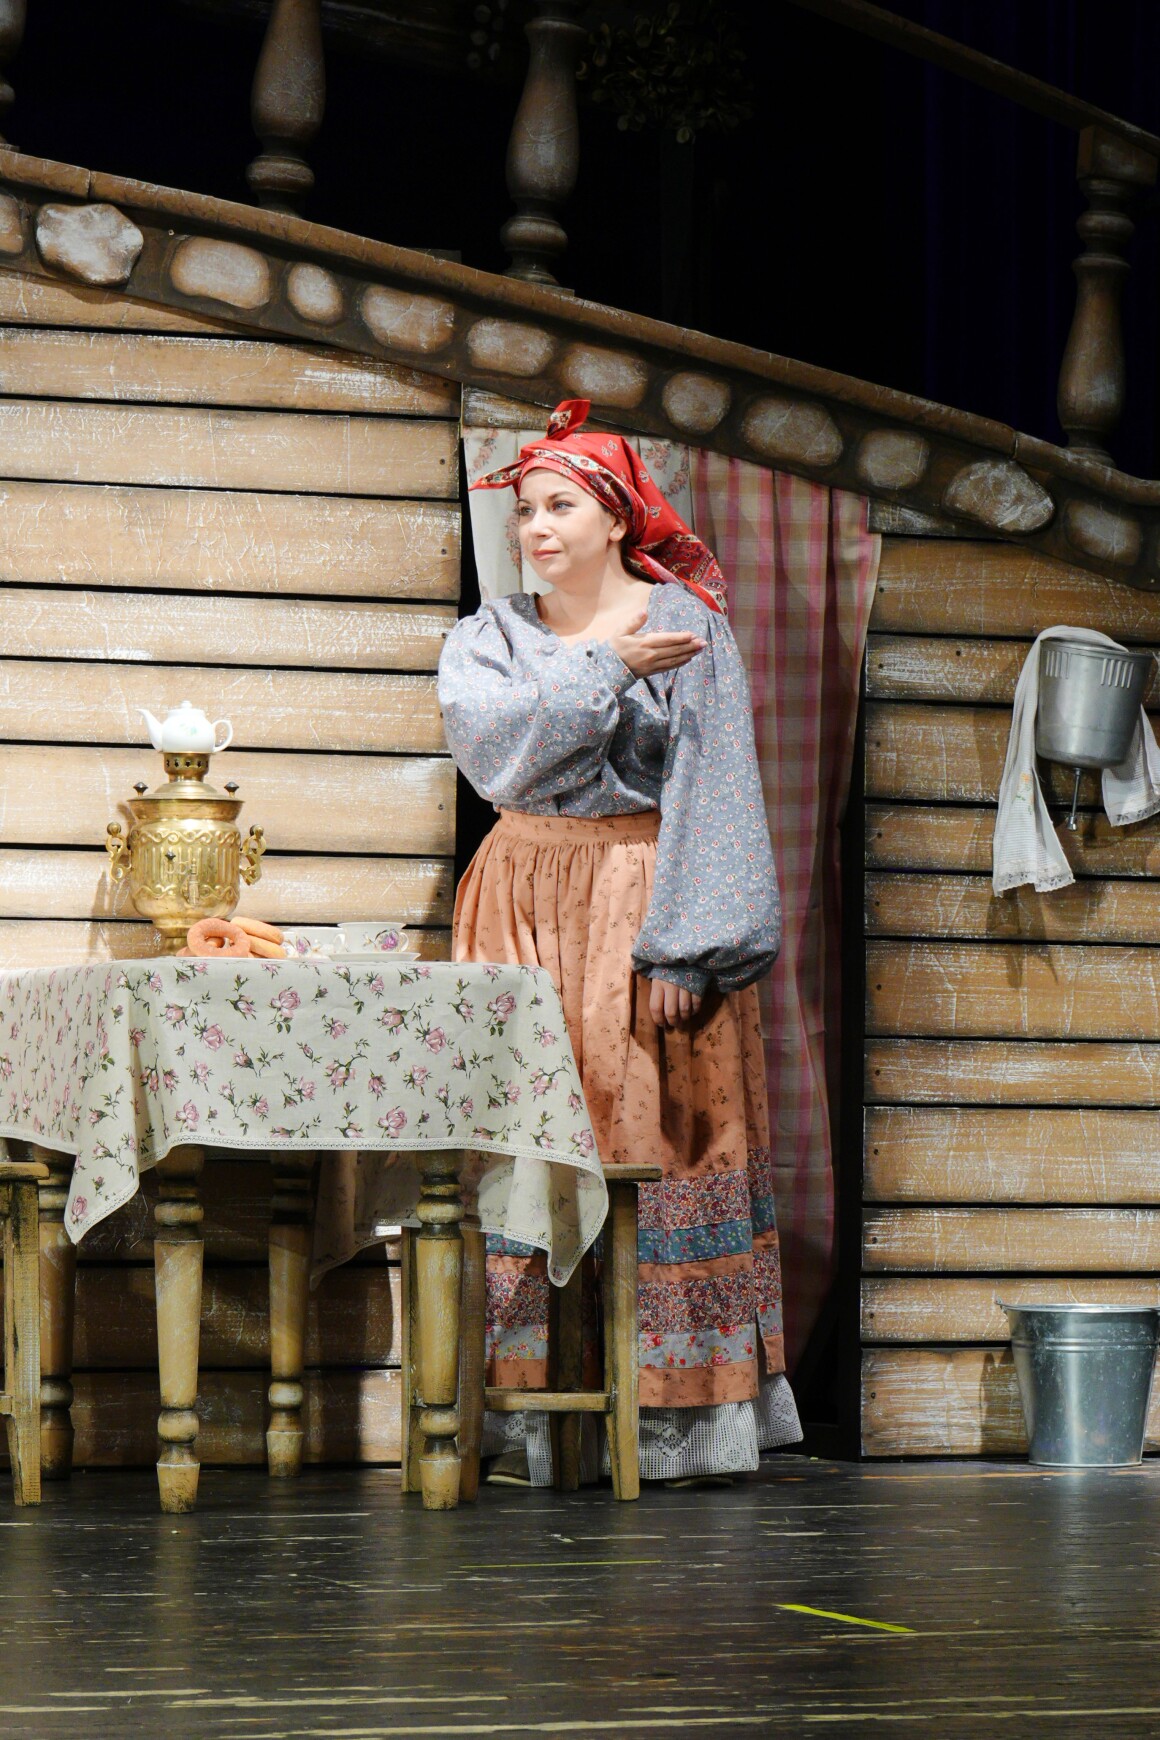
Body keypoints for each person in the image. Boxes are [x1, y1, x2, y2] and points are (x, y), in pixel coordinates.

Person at [438, 399, 802, 1483]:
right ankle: (534, 1415)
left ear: (614, 518)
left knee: (655, 1134)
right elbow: (498, 756)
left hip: (645, 897)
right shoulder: (490, 636)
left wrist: (691, 946)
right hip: (521, 900)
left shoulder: (688, 624)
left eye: (559, 507)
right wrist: (608, 669)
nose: (535, 529)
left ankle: (668, 1414)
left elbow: (717, 789)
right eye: (525, 512)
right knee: (529, 1142)